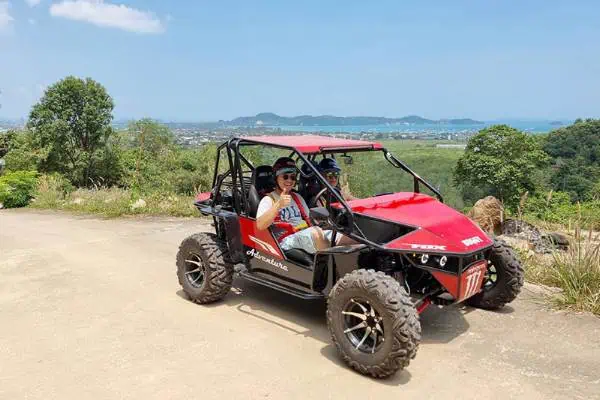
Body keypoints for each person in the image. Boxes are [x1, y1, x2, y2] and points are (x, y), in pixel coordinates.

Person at [256, 157, 351, 254]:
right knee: (316, 233)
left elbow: (310, 219)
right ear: (276, 178)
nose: (289, 180)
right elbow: (260, 225)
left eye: (292, 177)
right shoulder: (268, 200)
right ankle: (329, 268)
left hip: (305, 233)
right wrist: (278, 205)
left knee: (347, 236)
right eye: (285, 177)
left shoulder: (297, 197)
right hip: (285, 240)